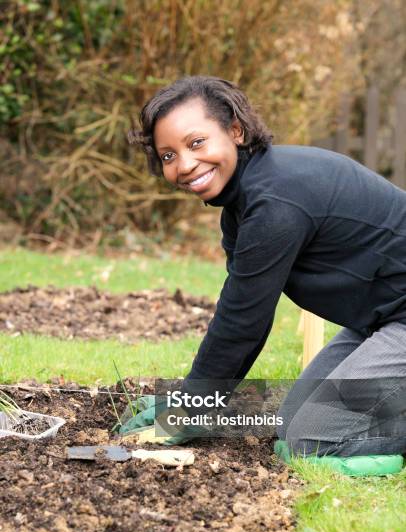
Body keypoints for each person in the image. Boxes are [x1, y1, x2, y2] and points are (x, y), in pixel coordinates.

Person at [127, 75, 406, 476]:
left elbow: (242, 322)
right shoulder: (244, 205)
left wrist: (188, 407)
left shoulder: (275, 201)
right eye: (168, 156)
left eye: (196, 143)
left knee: (309, 442)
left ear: (235, 131)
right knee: (288, 418)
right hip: (384, 319)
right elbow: (246, 317)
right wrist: (194, 399)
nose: (184, 165)